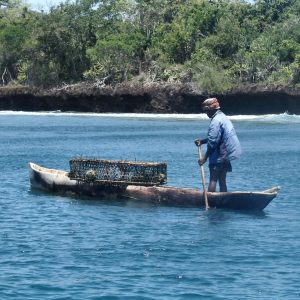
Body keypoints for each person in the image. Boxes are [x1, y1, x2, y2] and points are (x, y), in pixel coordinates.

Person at [194, 97, 241, 192]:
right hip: (226, 155)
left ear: (211, 109)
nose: (206, 113)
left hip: (219, 156)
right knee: (222, 181)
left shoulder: (215, 121)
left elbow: (213, 143)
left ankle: (211, 204)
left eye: (206, 111)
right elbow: (218, 137)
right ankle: (223, 201)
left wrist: (204, 158)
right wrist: (202, 141)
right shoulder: (223, 117)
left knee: (213, 180)